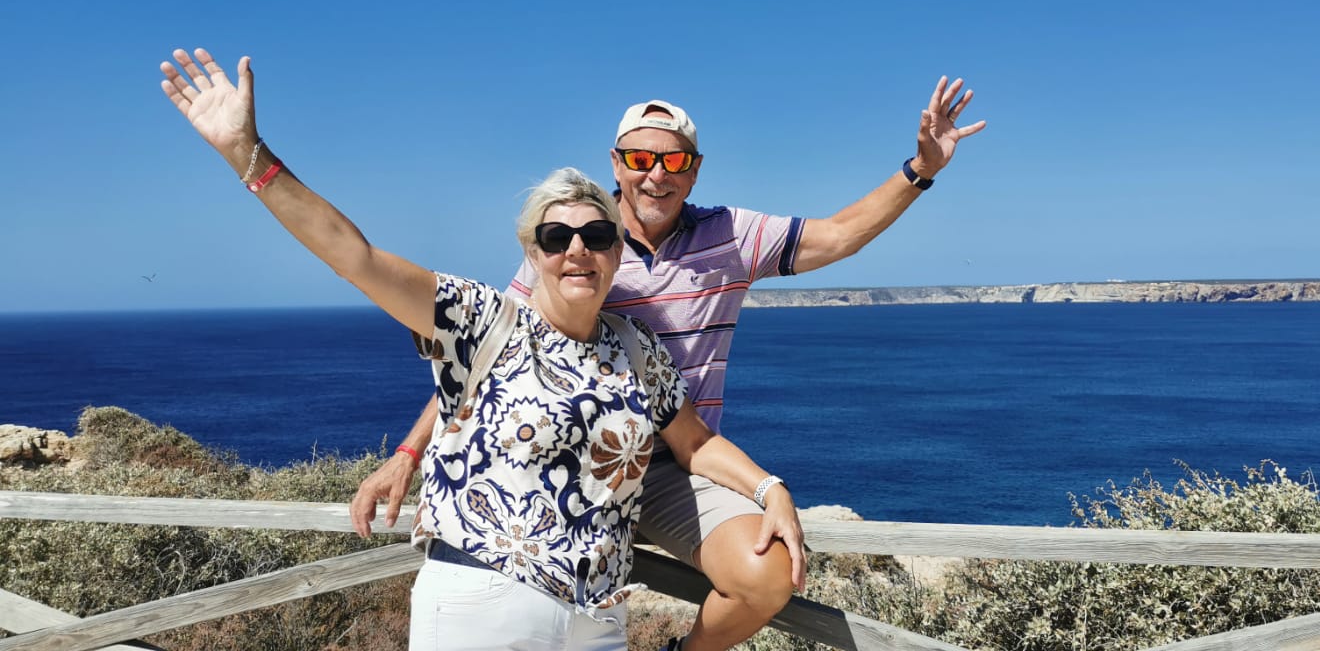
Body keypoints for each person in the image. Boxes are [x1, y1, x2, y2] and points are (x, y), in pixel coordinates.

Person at [159, 48, 804, 651]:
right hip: (486, 602)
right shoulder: (480, 320)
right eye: (556, 236)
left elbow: (695, 442)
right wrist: (248, 155)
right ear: (532, 251)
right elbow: (354, 256)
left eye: (596, 235)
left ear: (617, 251)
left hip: (599, 618)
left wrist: (770, 489)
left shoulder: (637, 350)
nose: (577, 249)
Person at [352, 79, 986, 651]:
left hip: (676, 466)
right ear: (616, 164)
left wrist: (920, 171)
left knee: (765, 575)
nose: (656, 174)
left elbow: (839, 234)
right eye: (639, 159)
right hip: (580, 468)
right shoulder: (575, 243)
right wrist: (409, 453)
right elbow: (490, 359)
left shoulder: (732, 235)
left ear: (695, 168)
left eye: (674, 160)